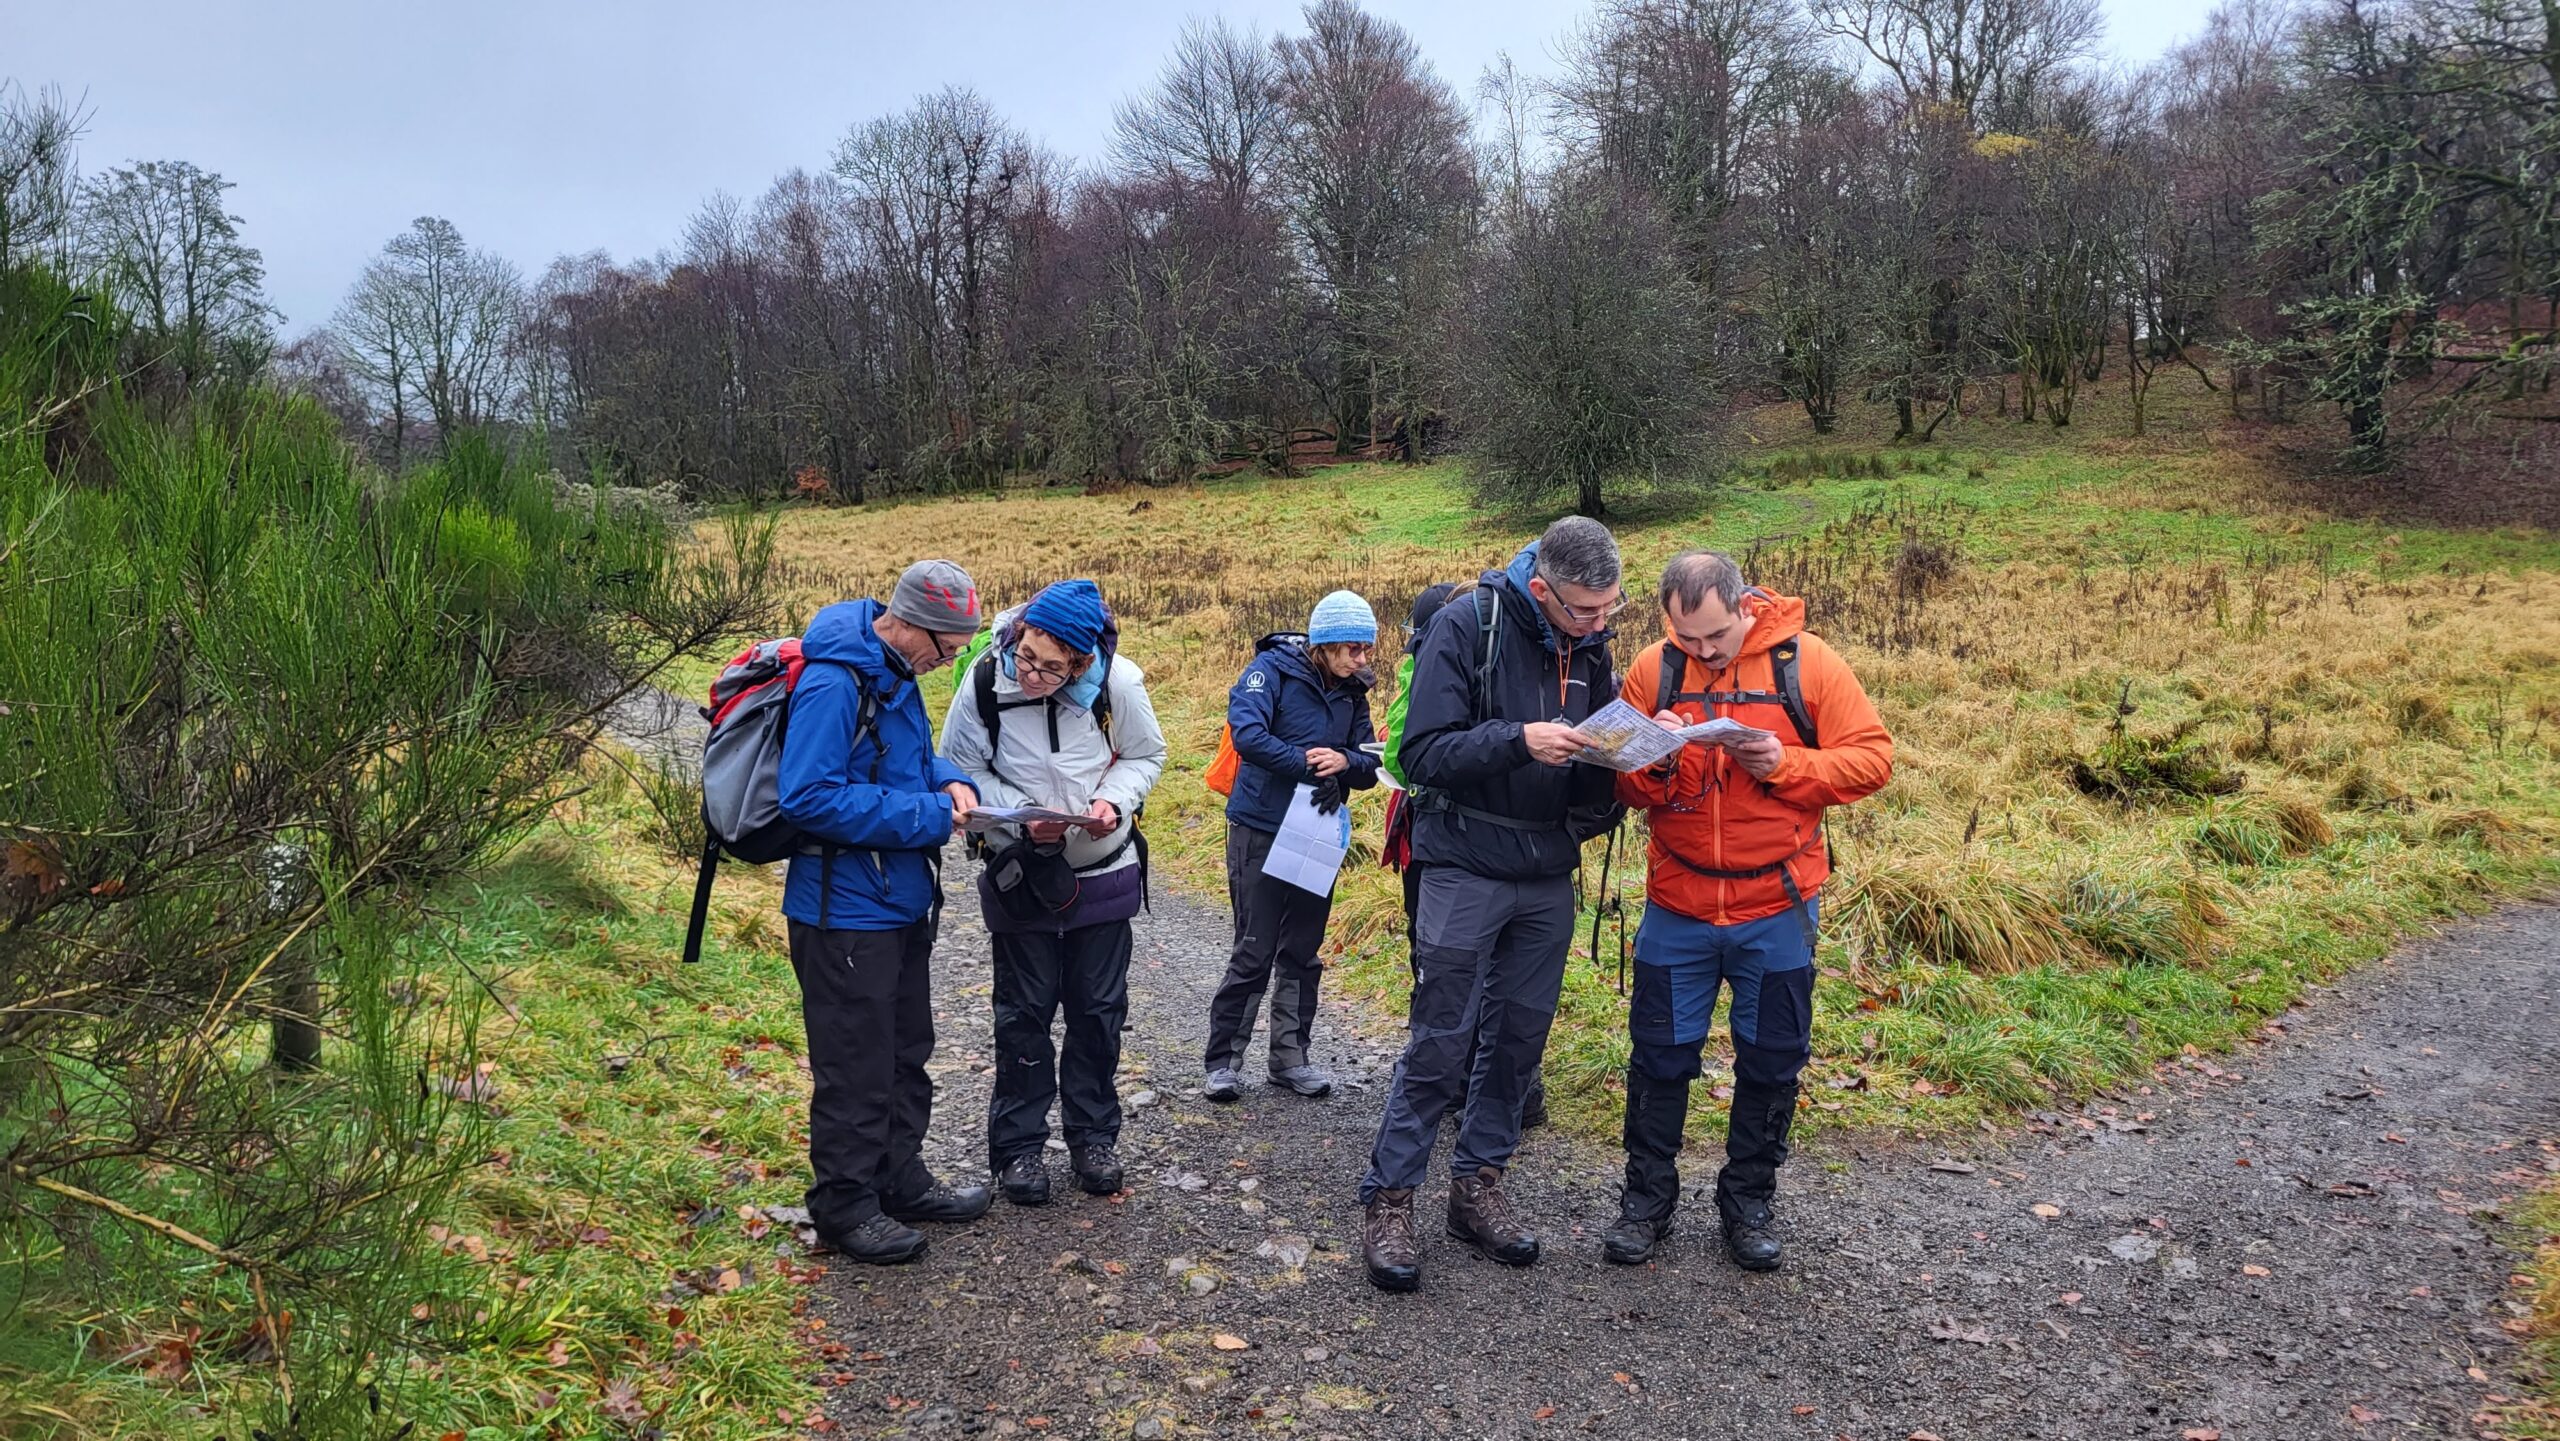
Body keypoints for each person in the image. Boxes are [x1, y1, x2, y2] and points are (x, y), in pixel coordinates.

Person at [1602, 550, 1892, 1271]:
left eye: (1713, 639)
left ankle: (1748, 1201)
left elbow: (1872, 760)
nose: (1699, 653)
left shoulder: (1810, 664)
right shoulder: (1652, 669)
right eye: (1685, 639)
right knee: (1660, 1055)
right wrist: (1657, 759)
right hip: (1679, 901)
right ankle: (1646, 1200)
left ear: (1744, 608)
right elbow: (1624, 788)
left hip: (1778, 903)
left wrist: (1786, 765)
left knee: (1771, 1058)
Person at [1358, 517, 1627, 1293]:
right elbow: (1419, 753)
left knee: (1517, 1039)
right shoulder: (1464, 624)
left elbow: (1596, 770)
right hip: (1464, 863)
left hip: (1546, 870)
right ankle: (1390, 1197)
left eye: (1611, 608)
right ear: (1542, 591)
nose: (1600, 623)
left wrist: (1626, 760)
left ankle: (1477, 1187)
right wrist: (1519, 740)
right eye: (1585, 610)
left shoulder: (1594, 645)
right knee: (1441, 1037)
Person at [776, 560, 993, 1266]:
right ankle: (844, 1205)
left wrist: (950, 779)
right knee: (855, 1064)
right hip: (842, 911)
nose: (952, 658)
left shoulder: (894, 673)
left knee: (906, 1052)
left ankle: (899, 1179)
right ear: (908, 624)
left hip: (898, 901)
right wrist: (931, 813)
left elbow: (905, 761)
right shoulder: (835, 679)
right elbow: (806, 796)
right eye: (949, 644)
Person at [939, 580, 1166, 1206]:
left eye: (1052, 668)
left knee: (1097, 1012)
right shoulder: (986, 678)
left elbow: (1147, 756)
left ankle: (1093, 1138)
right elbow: (959, 764)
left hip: (1102, 870)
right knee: (1024, 1014)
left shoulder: (1119, 684)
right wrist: (1018, 816)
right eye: (1027, 657)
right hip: (1022, 875)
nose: (1033, 674)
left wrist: (1110, 802)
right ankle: (1018, 1149)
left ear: (1082, 665)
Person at [1378, 581, 1548, 1129]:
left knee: (1446, 969)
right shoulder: (1508, 657)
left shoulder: (1425, 665)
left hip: (1442, 845)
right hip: (1528, 845)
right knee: (1511, 980)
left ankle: (1447, 1088)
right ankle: (1513, 1093)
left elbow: (1403, 759)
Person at [1203, 591, 1383, 1103]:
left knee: (1302, 951)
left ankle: (1290, 1058)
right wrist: (1310, 763)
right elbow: (1248, 737)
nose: (1361, 660)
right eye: (1352, 648)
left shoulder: (1354, 692)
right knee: (1254, 948)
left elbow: (1371, 759)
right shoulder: (1269, 672)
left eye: (1366, 649)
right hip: (1259, 826)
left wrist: (1345, 763)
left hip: (1318, 831)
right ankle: (1223, 1062)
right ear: (1323, 644)